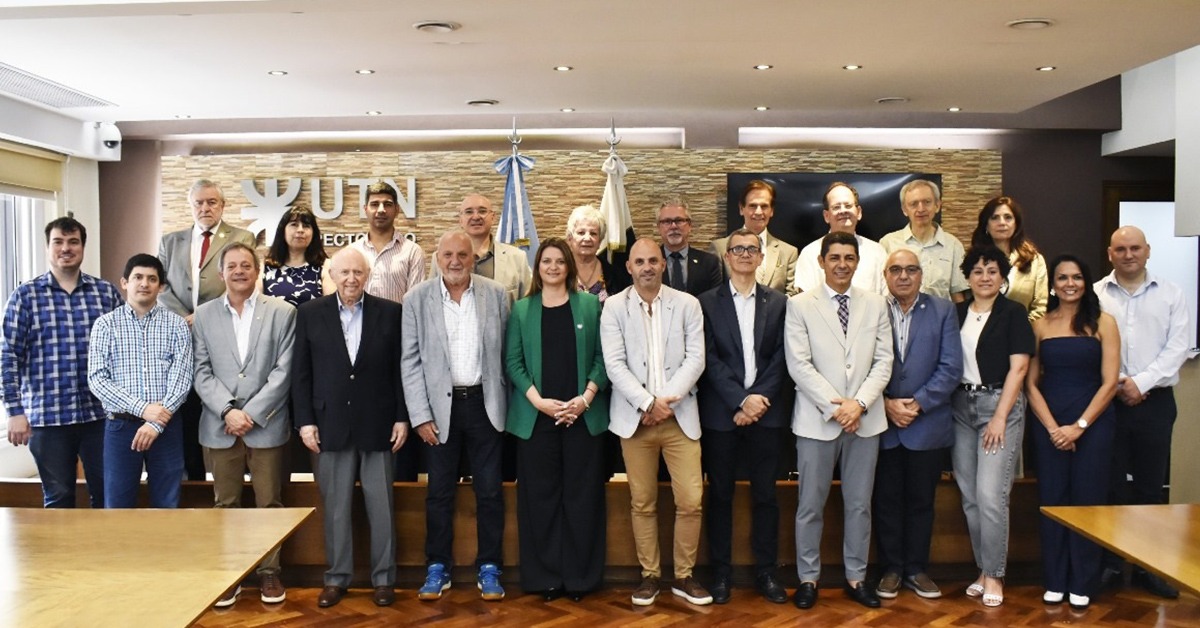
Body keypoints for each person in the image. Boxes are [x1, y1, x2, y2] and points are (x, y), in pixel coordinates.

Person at [292, 247, 408, 609]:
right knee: (336, 507)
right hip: (329, 425)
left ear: (368, 275)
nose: (351, 279)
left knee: (381, 506)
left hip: (379, 423)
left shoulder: (391, 313)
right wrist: (305, 421)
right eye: (344, 273)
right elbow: (301, 373)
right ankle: (337, 578)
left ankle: (384, 579)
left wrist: (402, 416)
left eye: (358, 272)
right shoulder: (310, 314)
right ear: (332, 275)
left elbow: (400, 371)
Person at [785, 231, 893, 611]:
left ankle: (856, 576)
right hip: (817, 421)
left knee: (859, 504)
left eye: (849, 257)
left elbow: (884, 361)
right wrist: (837, 408)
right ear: (822, 261)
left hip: (865, 421)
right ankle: (808, 578)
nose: (842, 264)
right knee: (810, 505)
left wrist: (858, 404)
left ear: (858, 262)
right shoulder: (799, 305)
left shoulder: (876, 304)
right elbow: (799, 365)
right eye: (835, 258)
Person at [601, 237, 711, 607]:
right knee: (642, 502)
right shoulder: (614, 307)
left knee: (691, 501)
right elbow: (614, 364)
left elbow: (696, 359)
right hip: (636, 420)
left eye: (653, 260)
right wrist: (647, 402)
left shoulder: (688, 305)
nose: (647, 267)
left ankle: (684, 575)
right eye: (639, 262)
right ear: (629, 267)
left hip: (680, 419)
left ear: (663, 264)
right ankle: (649, 576)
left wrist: (664, 403)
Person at [402, 229, 510, 602]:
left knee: (490, 492)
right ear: (437, 257)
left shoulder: (497, 295)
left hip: (486, 405)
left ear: (473, 257)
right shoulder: (416, 299)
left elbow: (507, 356)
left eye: (462, 255)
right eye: (447, 254)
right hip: (438, 411)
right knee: (439, 493)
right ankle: (438, 566)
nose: (455, 262)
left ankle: (490, 566)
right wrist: (419, 415)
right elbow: (410, 361)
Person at [192, 242, 296, 607]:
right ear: (221, 274)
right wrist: (227, 411)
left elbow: (285, 371)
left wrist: (250, 413)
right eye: (232, 266)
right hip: (220, 426)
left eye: (246, 265)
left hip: (265, 425)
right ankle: (230, 575)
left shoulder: (282, 313)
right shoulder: (203, 315)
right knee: (226, 504)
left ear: (257, 271)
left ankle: (270, 574)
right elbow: (200, 371)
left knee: (269, 503)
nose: (239, 271)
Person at [504, 237, 608, 602]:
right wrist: (539, 403)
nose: (552, 267)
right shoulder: (521, 310)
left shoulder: (590, 306)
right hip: (537, 420)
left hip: (583, 417)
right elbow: (513, 363)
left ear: (569, 266)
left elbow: (602, 358)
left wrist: (585, 399)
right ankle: (546, 578)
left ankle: (580, 579)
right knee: (540, 500)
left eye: (559, 262)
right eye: (546, 261)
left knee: (582, 499)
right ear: (537, 267)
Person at [1095, 225, 1190, 599]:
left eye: (1135, 248)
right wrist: (1119, 383)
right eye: (1121, 249)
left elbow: (1177, 347)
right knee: (1112, 485)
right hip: (1108, 402)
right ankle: (1113, 565)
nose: (1128, 254)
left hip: (1156, 402)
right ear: (1110, 253)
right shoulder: (1097, 295)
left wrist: (1141, 383)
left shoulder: (1171, 294)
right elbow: (1090, 342)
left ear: (1147, 251)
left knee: (1152, 486)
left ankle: (1151, 568)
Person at [2, 217, 122, 508]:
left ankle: (106, 554)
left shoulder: (105, 294)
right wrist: (15, 412)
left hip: (100, 417)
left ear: (82, 247)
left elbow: (124, 351)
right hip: (47, 419)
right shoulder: (25, 297)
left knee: (110, 495)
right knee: (59, 500)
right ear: (48, 247)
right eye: (58, 242)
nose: (66, 248)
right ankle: (62, 556)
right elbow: (8, 357)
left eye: (73, 242)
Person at [697, 228, 790, 604]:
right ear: (727, 256)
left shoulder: (781, 303)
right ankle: (720, 574)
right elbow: (708, 358)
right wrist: (740, 401)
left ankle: (766, 572)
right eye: (738, 249)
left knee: (766, 496)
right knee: (720, 495)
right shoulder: (704, 303)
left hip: (767, 416)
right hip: (723, 416)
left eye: (753, 249)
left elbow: (784, 357)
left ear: (762, 256)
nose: (746, 254)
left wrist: (758, 400)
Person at [1025, 255, 1119, 610]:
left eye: (1076, 277)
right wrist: (1053, 428)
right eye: (1062, 277)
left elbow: (1110, 382)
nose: (1069, 283)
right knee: (1052, 502)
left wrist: (1078, 427)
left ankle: (1082, 581)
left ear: (1086, 282)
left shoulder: (1104, 323)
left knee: (1086, 501)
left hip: (1092, 425)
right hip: (1049, 425)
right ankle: (1055, 580)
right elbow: (1030, 384)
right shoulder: (1040, 325)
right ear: (1052, 284)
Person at [872, 249, 963, 601]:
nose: (904, 276)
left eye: (911, 269)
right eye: (896, 269)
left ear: (921, 275)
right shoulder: (872, 308)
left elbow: (951, 366)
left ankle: (916, 569)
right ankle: (892, 569)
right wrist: (885, 405)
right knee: (887, 500)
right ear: (885, 274)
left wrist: (918, 403)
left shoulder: (942, 310)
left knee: (922, 501)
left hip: (927, 423)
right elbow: (861, 363)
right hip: (883, 423)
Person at [951, 245, 1035, 608]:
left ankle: (996, 575)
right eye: (978, 271)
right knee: (970, 498)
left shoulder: (1014, 313)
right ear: (968, 276)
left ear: (1002, 278)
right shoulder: (956, 313)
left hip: (998, 406)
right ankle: (983, 570)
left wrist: (1000, 415)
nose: (985, 277)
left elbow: (1019, 368)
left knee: (991, 496)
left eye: (992, 271)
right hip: (960, 408)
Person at [157, 179, 256, 481]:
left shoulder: (241, 236)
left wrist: (201, 315)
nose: (205, 208)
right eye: (199, 203)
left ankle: (235, 476)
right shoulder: (171, 241)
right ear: (191, 206)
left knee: (222, 402)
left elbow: (241, 282)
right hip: (180, 336)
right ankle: (193, 477)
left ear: (222, 205)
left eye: (211, 202)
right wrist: (184, 317)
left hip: (223, 333)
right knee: (186, 410)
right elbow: (161, 286)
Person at [87, 254, 193, 509]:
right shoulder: (105, 325)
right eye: (138, 277)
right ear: (124, 282)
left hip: (167, 427)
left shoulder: (177, 325)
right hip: (121, 428)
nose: (144, 283)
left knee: (167, 504)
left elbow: (182, 379)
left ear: (161, 287)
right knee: (117, 505)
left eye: (152, 279)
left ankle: (163, 550)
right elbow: (97, 380)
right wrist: (143, 409)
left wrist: (155, 423)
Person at [879, 179, 969, 302]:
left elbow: (957, 295)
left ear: (937, 205)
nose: (921, 209)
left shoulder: (953, 245)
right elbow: (880, 290)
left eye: (927, 202)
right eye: (914, 204)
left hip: (940, 319)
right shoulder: (888, 243)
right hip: (898, 318)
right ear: (905, 209)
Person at [795, 182, 887, 295]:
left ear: (859, 212)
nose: (843, 211)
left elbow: (886, 299)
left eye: (848, 206)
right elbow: (804, 303)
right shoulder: (809, 253)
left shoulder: (878, 252)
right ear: (826, 216)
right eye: (836, 207)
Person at [711, 179, 798, 294]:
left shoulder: (788, 252)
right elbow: (715, 295)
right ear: (741, 209)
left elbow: (792, 296)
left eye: (764, 206)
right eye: (753, 206)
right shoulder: (720, 248)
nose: (758, 212)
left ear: (771, 211)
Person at [970, 196, 1047, 320]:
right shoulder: (973, 259)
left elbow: (1040, 308)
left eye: (1008, 217)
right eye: (995, 217)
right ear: (986, 225)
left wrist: (1018, 330)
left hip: (1021, 333)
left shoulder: (1034, 260)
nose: (1002, 223)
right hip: (979, 333)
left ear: (1016, 224)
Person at [349, 180, 426, 303]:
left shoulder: (412, 251)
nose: (381, 210)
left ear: (397, 209)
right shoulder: (352, 251)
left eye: (387, 204)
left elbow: (415, 303)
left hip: (397, 322)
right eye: (374, 204)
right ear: (365, 209)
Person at [450, 193, 533, 305]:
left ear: (493, 217)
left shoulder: (518, 257)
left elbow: (528, 304)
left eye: (482, 211)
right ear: (460, 220)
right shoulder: (441, 259)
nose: (475, 217)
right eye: (469, 212)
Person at [262, 205, 333, 306]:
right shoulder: (265, 268)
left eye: (306, 226)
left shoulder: (325, 266)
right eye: (294, 224)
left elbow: (331, 309)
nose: (300, 230)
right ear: (283, 231)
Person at [657, 196, 722, 296]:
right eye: (667, 221)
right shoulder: (648, 262)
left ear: (690, 225)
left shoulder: (709, 263)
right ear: (659, 227)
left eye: (679, 220)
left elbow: (716, 301)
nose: (673, 226)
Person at [566, 204, 630, 303]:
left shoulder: (615, 275)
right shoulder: (558, 272)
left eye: (593, 233)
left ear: (600, 241)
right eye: (581, 232)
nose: (587, 238)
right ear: (570, 239)